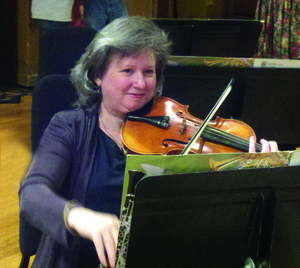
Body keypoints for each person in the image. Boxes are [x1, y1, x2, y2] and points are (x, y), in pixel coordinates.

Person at [19, 16, 278, 268]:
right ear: (98, 75)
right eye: (128, 71)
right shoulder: (69, 127)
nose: (141, 83)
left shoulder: (178, 131)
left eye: (148, 72)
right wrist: (78, 217)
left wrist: (258, 169)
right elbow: (31, 193)